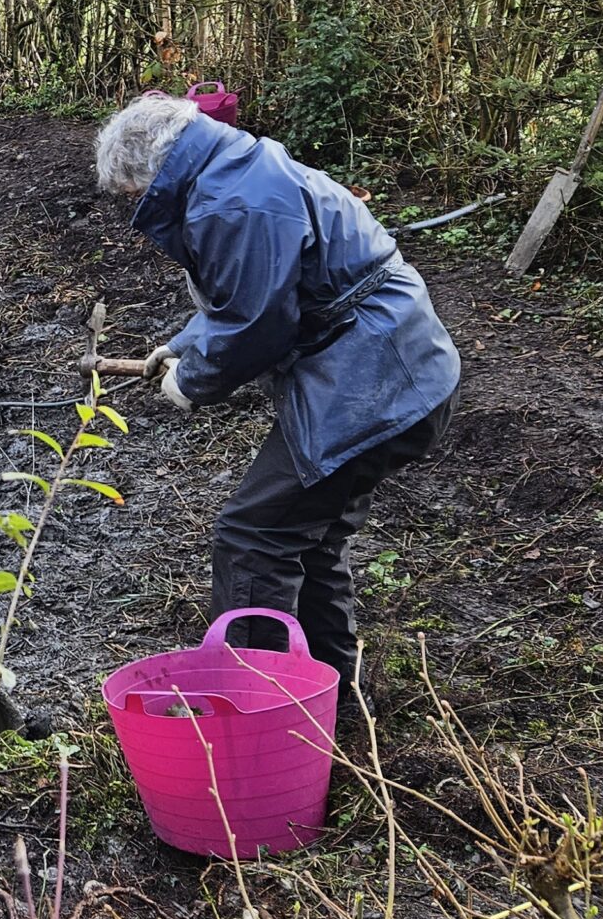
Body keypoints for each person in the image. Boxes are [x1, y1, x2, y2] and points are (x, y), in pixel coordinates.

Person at [95, 93, 460, 712]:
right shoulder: (234, 171)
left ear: (150, 172)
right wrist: (182, 344)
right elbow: (252, 296)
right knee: (309, 536)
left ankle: (250, 707)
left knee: (254, 534)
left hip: (375, 383)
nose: (136, 208)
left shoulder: (234, 200)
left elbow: (259, 324)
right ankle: (333, 704)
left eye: (132, 196)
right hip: (393, 372)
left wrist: (195, 379)